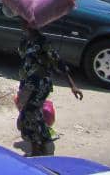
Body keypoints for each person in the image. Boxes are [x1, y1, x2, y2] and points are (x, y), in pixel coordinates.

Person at [16, 26, 83, 157]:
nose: (22, 24)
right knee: (27, 114)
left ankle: (41, 146)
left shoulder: (43, 43)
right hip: (27, 85)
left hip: (40, 85)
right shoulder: (25, 41)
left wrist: (72, 86)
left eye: (25, 21)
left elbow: (59, 63)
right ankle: (38, 146)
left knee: (32, 113)